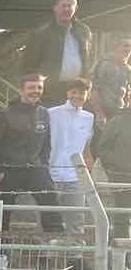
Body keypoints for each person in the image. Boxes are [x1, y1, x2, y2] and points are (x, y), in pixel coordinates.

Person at [0, 74, 58, 234]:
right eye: (31, 87)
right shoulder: (5, 114)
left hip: (35, 169)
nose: (36, 91)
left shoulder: (44, 113)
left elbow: (46, 145)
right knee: (0, 217)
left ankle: (54, 242)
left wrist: (43, 166)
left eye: (39, 87)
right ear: (21, 90)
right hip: (9, 171)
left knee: (52, 204)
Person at [47, 77, 96, 232]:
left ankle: (76, 248)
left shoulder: (89, 117)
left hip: (76, 176)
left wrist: (88, 163)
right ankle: (46, 248)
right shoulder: (51, 113)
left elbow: (86, 145)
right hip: (51, 174)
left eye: (82, 93)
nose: (78, 96)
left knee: (76, 220)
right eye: (74, 92)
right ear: (68, 93)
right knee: (49, 219)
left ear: (87, 95)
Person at [25, 0, 94, 89]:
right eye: (63, 6)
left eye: (70, 6)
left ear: (76, 8)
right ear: (55, 8)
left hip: (77, 89)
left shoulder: (84, 31)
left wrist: (87, 81)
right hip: (50, 89)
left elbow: (89, 59)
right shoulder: (41, 33)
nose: (66, 9)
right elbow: (29, 65)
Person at [94, 102, 131, 237]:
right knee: (122, 217)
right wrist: (119, 165)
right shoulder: (117, 121)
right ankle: (121, 247)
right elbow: (103, 149)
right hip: (122, 179)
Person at [90, 37, 131, 119]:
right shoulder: (104, 64)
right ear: (117, 48)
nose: (128, 49)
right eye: (125, 45)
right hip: (103, 112)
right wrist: (99, 111)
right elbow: (94, 89)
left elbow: (128, 92)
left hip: (120, 111)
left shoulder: (128, 69)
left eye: (130, 47)